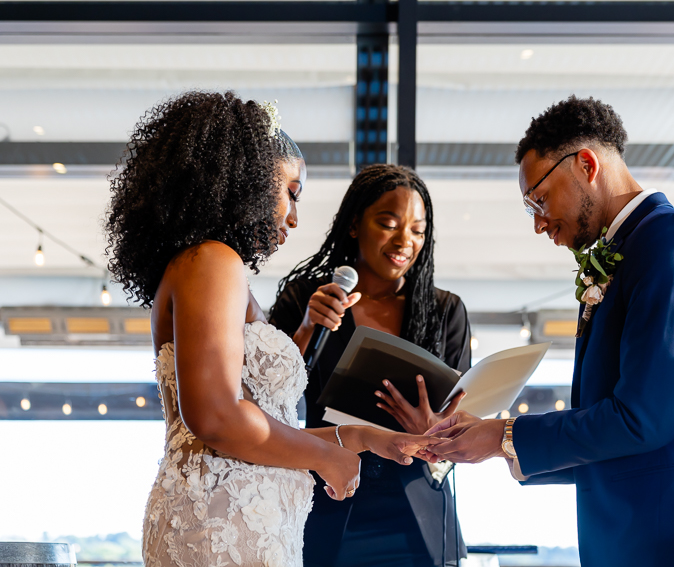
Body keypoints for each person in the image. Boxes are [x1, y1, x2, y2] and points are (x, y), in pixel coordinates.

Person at [423, 96, 674, 567]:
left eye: (539, 200)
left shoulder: (673, 246)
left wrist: (505, 434)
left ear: (586, 164)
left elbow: (642, 420)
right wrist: (495, 444)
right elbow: (613, 429)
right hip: (639, 539)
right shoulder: (632, 252)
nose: (539, 223)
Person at [105, 91, 436, 567]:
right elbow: (216, 417)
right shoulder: (214, 262)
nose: (294, 217)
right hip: (221, 526)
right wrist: (325, 457)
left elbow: (259, 421)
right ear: (249, 182)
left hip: (241, 520)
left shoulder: (210, 266)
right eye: (292, 192)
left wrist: (363, 438)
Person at [268, 164, 471, 567]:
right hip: (324, 501)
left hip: (417, 515)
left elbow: (463, 417)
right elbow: (267, 397)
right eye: (389, 223)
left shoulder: (445, 311)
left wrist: (436, 429)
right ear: (355, 224)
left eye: (417, 230)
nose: (404, 241)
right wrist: (308, 326)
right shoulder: (306, 298)